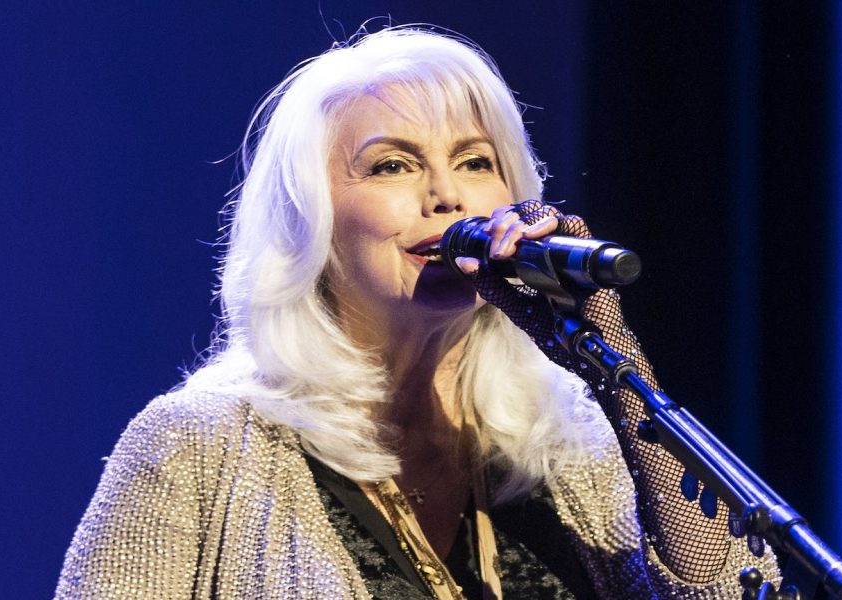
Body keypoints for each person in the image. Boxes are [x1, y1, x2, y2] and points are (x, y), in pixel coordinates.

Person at [55, 26, 779, 599]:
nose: (447, 197)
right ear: (312, 221)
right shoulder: (197, 447)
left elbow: (724, 591)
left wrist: (613, 357)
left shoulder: (572, 438)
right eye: (392, 165)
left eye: (474, 162)